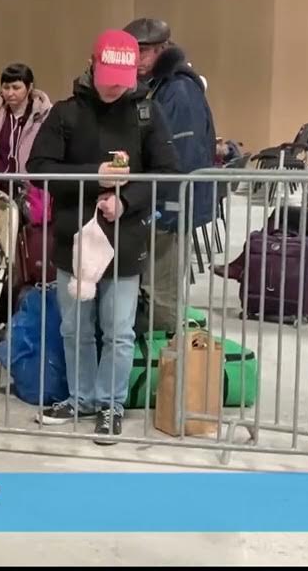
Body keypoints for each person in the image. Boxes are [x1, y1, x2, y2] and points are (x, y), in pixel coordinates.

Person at [26, 29, 179, 443]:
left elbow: (168, 174)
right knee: (74, 328)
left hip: (125, 243)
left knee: (118, 330)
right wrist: (92, 180)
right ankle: (81, 398)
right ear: (92, 64)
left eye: (122, 82)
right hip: (73, 243)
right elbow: (39, 167)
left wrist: (126, 201)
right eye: (108, 78)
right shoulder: (65, 113)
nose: (114, 88)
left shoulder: (148, 113)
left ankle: (110, 403)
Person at [124, 18, 218, 333]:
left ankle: (162, 369)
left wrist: (164, 209)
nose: (137, 59)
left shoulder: (178, 89)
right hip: (159, 203)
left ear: (163, 48)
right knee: (152, 283)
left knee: (161, 293)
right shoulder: (159, 86)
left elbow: (183, 155)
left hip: (168, 206)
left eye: (144, 51)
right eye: (133, 51)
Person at [0, 63, 53, 177]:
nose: (10, 93)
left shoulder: (44, 115)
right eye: (6, 87)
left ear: (29, 87)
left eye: (16, 88)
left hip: (28, 186)